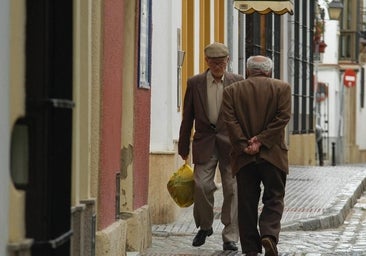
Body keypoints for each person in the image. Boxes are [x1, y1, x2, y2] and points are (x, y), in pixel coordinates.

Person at [221, 55, 291, 256]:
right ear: (269, 71)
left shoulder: (231, 91)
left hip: (244, 157)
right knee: (274, 197)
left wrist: (245, 145)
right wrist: (261, 141)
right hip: (273, 154)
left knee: (246, 202)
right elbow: (282, 118)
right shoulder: (282, 88)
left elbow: (230, 122)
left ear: (248, 71)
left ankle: (251, 248)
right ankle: (268, 233)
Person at [178, 42, 244, 251]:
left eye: (222, 62)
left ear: (228, 61)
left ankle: (230, 236)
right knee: (202, 185)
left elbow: (243, 115)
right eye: (214, 62)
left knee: (232, 189)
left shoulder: (237, 82)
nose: (218, 66)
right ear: (206, 61)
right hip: (205, 143)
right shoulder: (195, 83)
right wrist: (183, 147)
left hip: (231, 145)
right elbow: (187, 117)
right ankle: (205, 226)